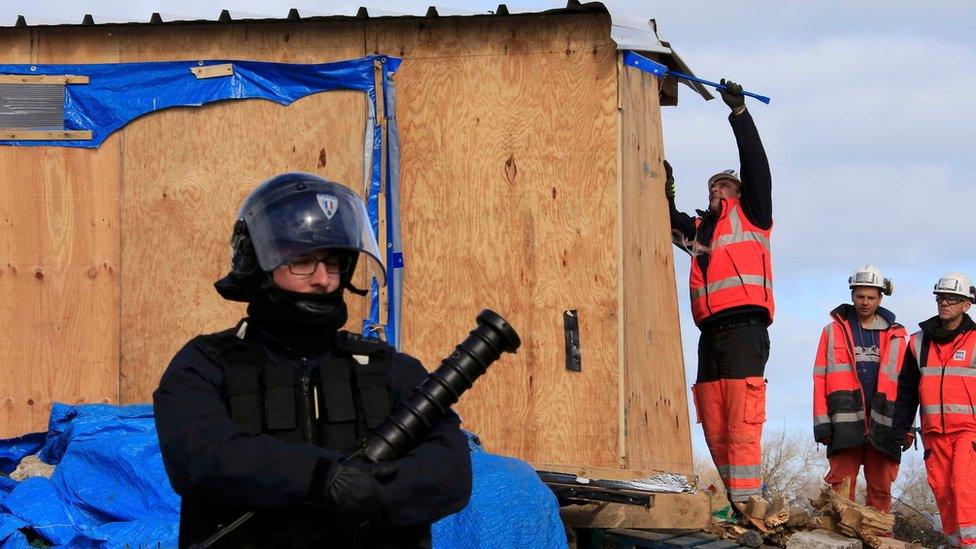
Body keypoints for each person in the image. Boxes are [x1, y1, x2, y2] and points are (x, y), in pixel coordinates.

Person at [153, 172, 471, 548]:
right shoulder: (206, 364)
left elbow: (450, 468)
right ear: (259, 267)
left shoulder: (387, 369)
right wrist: (320, 480)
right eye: (302, 261)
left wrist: (373, 495)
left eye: (332, 262)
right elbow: (204, 456)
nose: (323, 279)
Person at [666, 78, 772, 505]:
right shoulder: (700, 232)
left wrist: (739, 115)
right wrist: (662, 185)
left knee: (741, 424)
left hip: (745, 329)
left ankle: (750, 507)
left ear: (738, 192)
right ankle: (735, 500)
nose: (717, 188)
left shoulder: (753, 213)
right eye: (712, 184)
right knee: (712, 421)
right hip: (710, 335)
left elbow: (756, 165)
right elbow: (667, 219)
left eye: (724, 184)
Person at [892, 272, 976, 549]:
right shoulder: (918, 342)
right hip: (933, 432)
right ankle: (955, 543)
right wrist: (902, 427)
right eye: (941, 297)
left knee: (963, 486)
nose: (945, 303)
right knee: (942, 489)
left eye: (952, 298)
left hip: (969, 431)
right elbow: (906, 390)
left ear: (966, 304)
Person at [812, 266, 906, 512]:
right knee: (840, 488)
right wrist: (822, 425)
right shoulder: (832, 332)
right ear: (852, 295)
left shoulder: (897, 336)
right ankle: (839, 537)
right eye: (860, 296)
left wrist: (905, 428)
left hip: (884, 425)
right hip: (844, 424)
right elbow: (820, 378)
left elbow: (908, 388)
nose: (865, 302)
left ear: (880, 298)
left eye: (871, 297)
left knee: (881, 487)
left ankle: (881, 537)